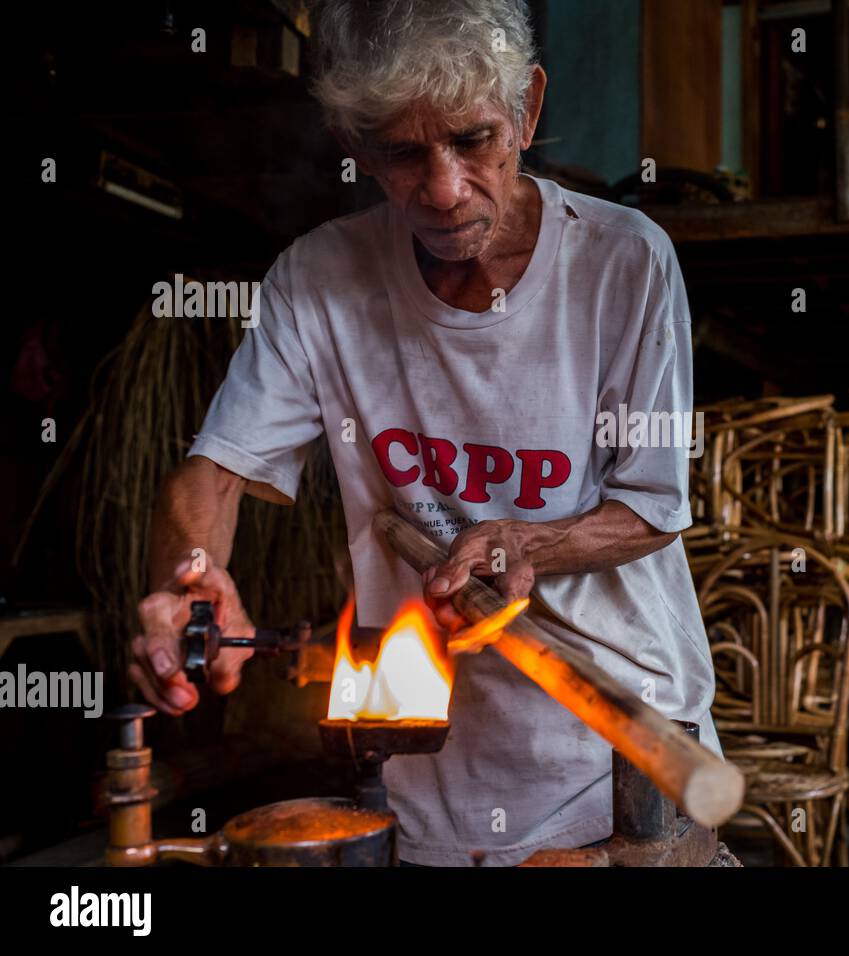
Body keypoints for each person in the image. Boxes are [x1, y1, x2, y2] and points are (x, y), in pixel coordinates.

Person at [129, 0, 719, 866]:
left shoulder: (622, 262)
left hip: (621, 755)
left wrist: (527, 539)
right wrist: (189, 576)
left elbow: (654, 509)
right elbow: (216, 471)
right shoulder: (319, 280)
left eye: (474, 139)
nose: (442, 191)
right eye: (403, 153)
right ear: (353, 146)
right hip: (430, 776)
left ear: (528, 109)